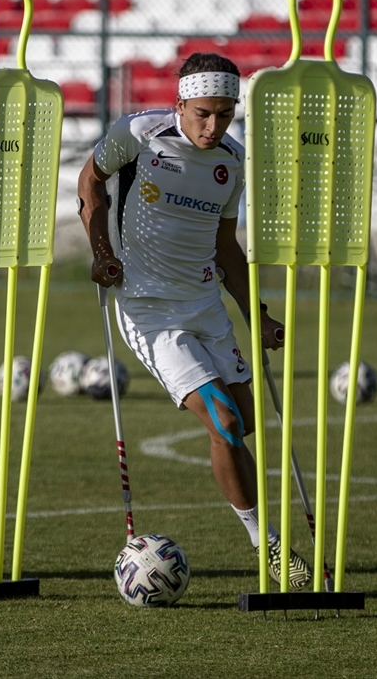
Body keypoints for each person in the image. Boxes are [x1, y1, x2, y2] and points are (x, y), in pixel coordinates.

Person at [77, 51, 312, 589]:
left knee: (243, 425)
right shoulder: (137, 134)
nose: (214, 126)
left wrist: (261, 317)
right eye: (204, 113)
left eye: (225, 115)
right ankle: (268, 548)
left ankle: (262, 535)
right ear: (181, 103)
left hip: (206, 305)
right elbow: (90, 183)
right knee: (226, 425)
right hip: (148, 310)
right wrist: (100, 250)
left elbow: (228, 251)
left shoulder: (235, 162)